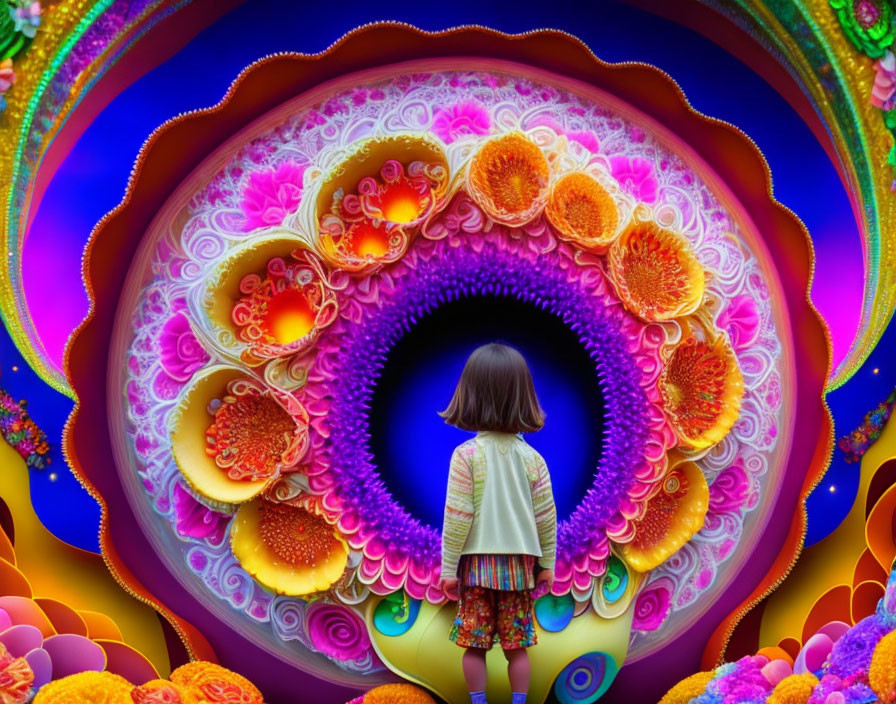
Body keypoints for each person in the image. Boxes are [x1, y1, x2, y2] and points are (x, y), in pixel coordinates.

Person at [439, 342, 557, 704]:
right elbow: (546, 517)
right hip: (521, 566)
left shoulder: (466, 455)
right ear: (524, 396)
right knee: (517, 646)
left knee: (474, 646)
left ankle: (478, 702)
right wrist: (548, 563)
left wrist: (448, 568)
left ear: (469, 393)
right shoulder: (532, 458)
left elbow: (457, 518)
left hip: (476, 566)